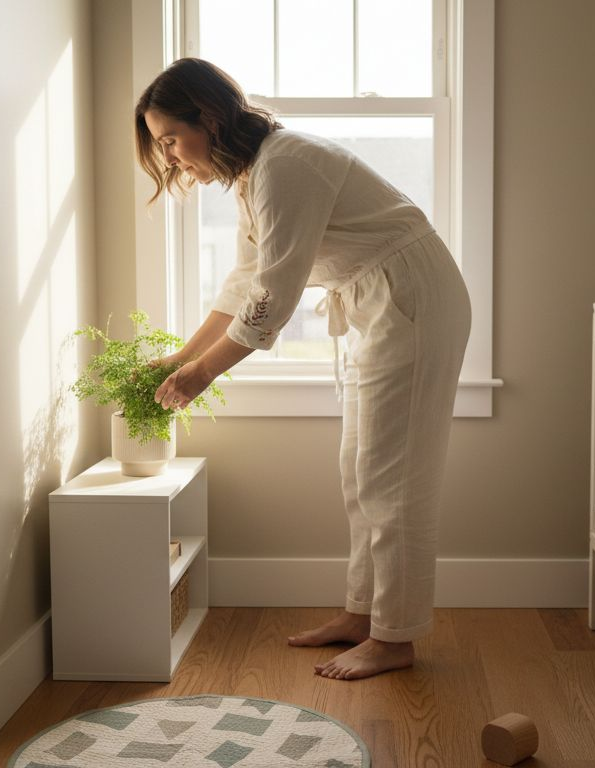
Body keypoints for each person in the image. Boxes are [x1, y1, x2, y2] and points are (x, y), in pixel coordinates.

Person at [135, 58, 471, 680]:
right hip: (382, 301)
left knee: (392, 478)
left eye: (171, 140)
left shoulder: (285, 165)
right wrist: (185, 354)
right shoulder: (253, 175)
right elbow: (245, 283)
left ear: (206, 120)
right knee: (360, 469)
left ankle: (395, 638)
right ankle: (362, 615)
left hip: (410, 299)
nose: (173, 157)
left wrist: (202, 374)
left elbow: (274, 298)